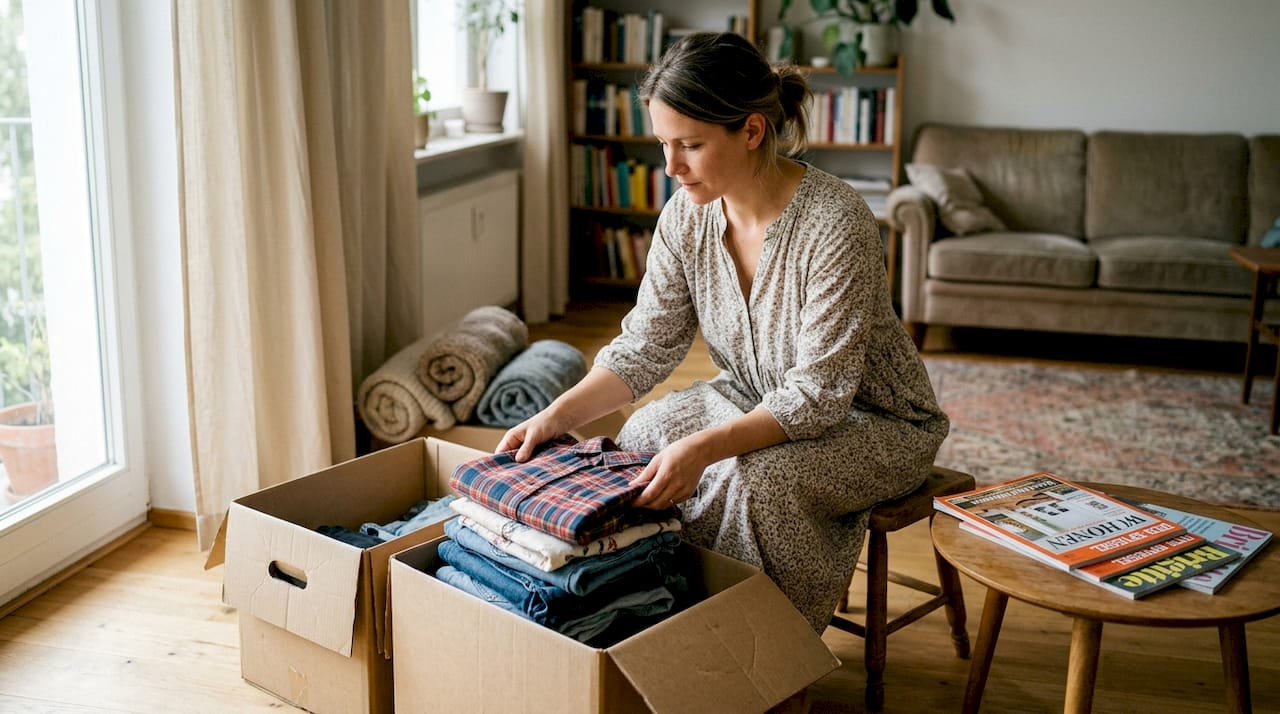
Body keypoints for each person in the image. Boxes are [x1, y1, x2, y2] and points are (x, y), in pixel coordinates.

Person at [496, 31, 949, 633]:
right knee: (645, 434)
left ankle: (759, 652)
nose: (671, 167)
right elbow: (644, 347)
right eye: (664, 144)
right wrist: (556, 416)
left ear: (752, 130)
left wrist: (707, 448)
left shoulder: (836, 223)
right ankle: (657, 618)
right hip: (754, 394)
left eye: (690, 145)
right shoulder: (685, 217)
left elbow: (818, 396)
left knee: (754, 482)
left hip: (876, 422)